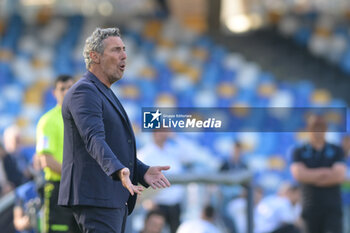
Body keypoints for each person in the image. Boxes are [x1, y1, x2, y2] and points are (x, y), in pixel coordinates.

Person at [58, 27, 171, 233]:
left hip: (110, 199)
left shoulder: (105, 92)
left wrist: (142, 171)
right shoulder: (84, 91)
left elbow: (114, 147)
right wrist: (118, 170)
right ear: (95, 56)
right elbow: (94, 139)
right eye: (116, 50)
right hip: (96, 197)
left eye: (124, 50)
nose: (124, 55)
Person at [36, 75, 79, 233]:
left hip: (80, 191)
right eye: (63, 88)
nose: (67, 91)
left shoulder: (83, 119)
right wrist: (75, 176)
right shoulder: (48, 121)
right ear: (55, 93)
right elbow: (46, 160)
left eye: (70, 87)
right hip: (59, 189)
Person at [290, 114, 346, 233]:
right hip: (310, 207)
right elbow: (299, 175)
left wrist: (310, 176)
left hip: (332, 208)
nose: (317, 131)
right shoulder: (299, 151)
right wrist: (326, 172)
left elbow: (339, 175)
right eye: (314, 127)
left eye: (321, 127)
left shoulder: (336, 150)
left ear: (326, 129)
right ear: (308, 129)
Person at [138, 131, 185, 233]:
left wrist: (176, 137)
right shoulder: (145, 153)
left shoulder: (173, 151)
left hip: (175, 204)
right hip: (156, 205)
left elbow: (192, 153)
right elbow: (138, 178)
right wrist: (147, 201)